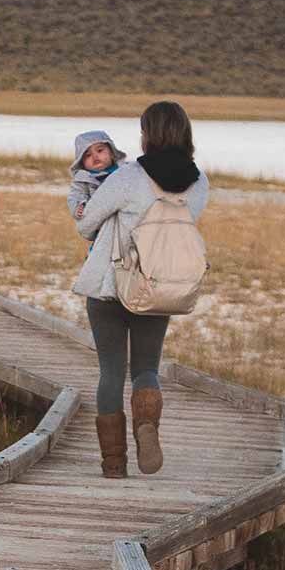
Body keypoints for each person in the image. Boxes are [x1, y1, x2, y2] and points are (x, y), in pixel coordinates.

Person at [71, 101, 207, 478]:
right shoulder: (199, 181)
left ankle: (114, 463)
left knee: (111, 371)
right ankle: (147, 427)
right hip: (159, 287)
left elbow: (86, 226)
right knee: (146, 369)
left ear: (148, 134)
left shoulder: (129, 177)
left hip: (110, 285)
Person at [67, 129, 126, 231]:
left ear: (112, 153)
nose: (95, 156)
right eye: (88, 155)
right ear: (81, 162)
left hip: (125, 218)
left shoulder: (124, 171)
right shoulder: (83, 179)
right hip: (102, 226)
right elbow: (75, 195)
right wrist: (79, 206)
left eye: (100, 150)